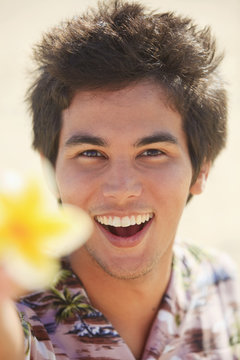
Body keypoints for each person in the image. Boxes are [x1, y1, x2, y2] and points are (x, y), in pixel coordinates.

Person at [1, 0, 240, 359]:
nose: (122, 188)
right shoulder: (16, 303)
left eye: (152, 152)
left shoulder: (224, 285)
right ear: (49, 172)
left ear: (201, 168)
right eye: (91, 154)